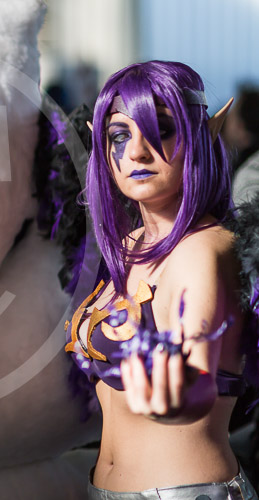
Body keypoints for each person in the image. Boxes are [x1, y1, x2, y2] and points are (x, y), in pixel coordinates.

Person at [65, 60, 258, 499]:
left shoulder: (203, 248)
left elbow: (198, 374)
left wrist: (182, 396)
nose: (136, 152)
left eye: (162, 130)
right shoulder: (127, 245)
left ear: (199, 137)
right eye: (119, 135)